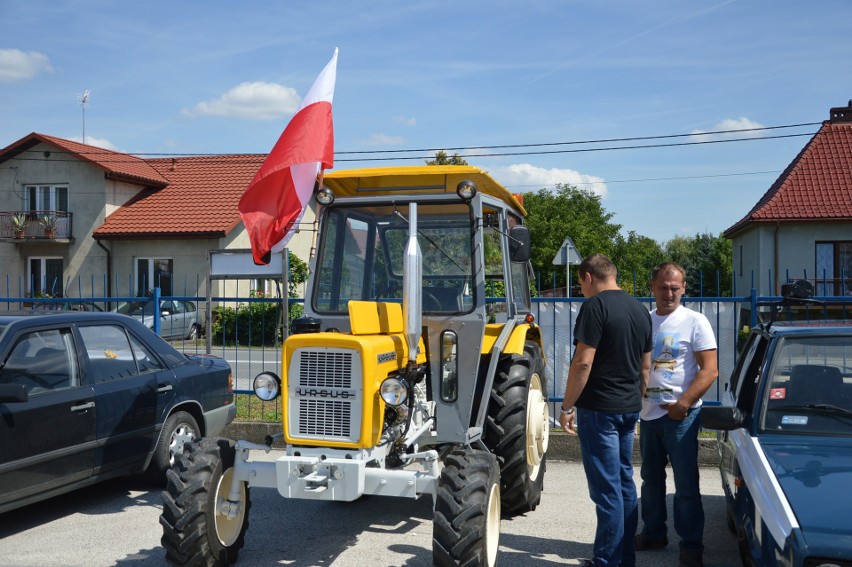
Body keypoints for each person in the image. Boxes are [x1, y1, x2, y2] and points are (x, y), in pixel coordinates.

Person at [560, 254, 652, 567]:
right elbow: (646, 367)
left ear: (588, 277)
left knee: (606, 491)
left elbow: (583, 361)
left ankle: (606, 562)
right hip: (628, 408)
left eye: (580, 283)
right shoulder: (640, 309)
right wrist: (635, 400)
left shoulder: (595, 307)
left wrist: (567, 405)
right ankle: (625, 560)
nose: (581, 289)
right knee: (624, 483)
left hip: (599, 409)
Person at [634, 262, 718, 567]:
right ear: (652, 287)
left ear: (683, 288)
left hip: (682, 418)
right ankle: (654, 534)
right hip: (649, 414)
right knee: (650, 481)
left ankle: (691, 547)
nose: (669, 293)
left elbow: (710, 370)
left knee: (686, 485)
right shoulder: (644, 320)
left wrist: (684, 404)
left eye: (675, 287)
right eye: (663, 287)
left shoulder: (695, 322)